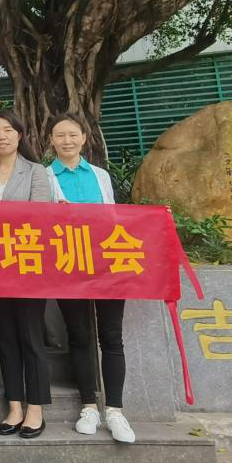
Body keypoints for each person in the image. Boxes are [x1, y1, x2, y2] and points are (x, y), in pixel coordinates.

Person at [46, 113, 135, 444]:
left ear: (84, 138)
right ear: (51, 141)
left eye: (73, 135)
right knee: (79, 334)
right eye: (60, 135)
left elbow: (113, 216)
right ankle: (88, 407)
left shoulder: (100, 175)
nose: (67, 141)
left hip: (107, 264)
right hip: (68, 264)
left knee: (111, 336)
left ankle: (115, 409)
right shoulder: (45, 177)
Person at [0, 110, 53, 440]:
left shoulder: (36, 171)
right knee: (6, 338)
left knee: (30, 337)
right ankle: (14, 406)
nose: (1, 136)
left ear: (19, 135)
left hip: (27, 265)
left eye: (8, 130)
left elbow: (40, 216)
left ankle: (35, 408)